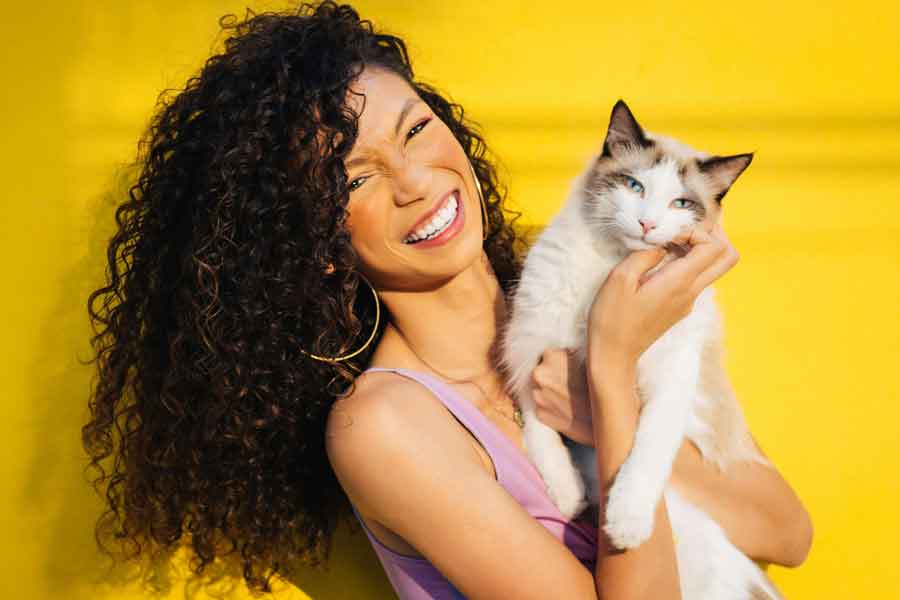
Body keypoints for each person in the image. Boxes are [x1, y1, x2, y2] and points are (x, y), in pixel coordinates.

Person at [82, 2, 813, 598]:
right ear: (311, 245)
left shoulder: (589, 291)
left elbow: (786, 533)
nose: (418, 181)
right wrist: (613, 377)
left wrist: (595, 420)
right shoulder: (384, 427)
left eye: (417, 128)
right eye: (356, 178)